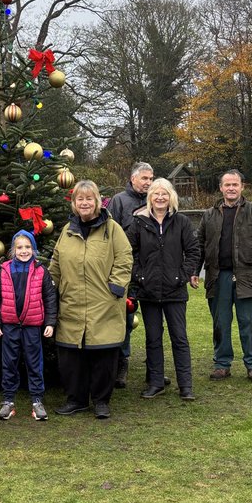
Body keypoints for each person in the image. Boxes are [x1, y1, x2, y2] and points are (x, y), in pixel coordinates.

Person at [49, 180, 133, 420]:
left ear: (97, 201)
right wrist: (48, 288)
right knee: (72, 357)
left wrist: (115, 287)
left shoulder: (112, 229)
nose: (84, 203)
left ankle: (101, 401)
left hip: (104, 302)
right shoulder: (67, 230)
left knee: (103, 355)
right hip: (72, 304)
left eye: (88, 199)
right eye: (79, 199)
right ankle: (75, 399)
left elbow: (125, 258)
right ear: (74, 203)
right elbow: (56, 262)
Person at [191, 168, 252, 383]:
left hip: (248, 276)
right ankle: (222, 364)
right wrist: (194, 271)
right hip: (217, 277)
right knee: (220, 322)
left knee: (249, 323)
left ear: (242, 187)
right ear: (221, 188)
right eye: (227, 185)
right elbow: (199, 246)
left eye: (235, 185)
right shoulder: (209, 215)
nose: (231, 188)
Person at [127, 177, 200, 401]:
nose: (160, 197)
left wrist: (182, 275)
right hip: (148, 291)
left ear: (171, 198)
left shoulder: (182, 223)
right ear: (150, 197)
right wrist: (139, 276)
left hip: (175, 291)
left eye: (164, 194)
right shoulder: (138, 224)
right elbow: (129, 253)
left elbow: (193, 251)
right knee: (153, 339)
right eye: (156, 194)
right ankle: (156, 382)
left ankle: (185, 385)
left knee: (179, 338)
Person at [0, 229, 57, 422]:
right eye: (19, 247)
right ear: (13, 250)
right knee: (9, 362)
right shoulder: (5, 271)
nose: (24, 251)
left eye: (28, 247)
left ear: (33, 249)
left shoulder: (41, 271)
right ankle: (8, 401)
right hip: (9, 326)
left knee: (34, 363)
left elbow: (50, 298)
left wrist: (50, 322)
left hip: (32, 326)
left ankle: (37, 401)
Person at [106, 161, 154, 387]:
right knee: (125, 316)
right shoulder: (119, 201)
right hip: (128, 270)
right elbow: (109, 233)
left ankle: (155, 366)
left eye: (151, 179)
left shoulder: (157, 198)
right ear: (133, 178)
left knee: (155, 318)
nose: (148, 183)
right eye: (144, 178)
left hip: (153, 269)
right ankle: (121, 362)